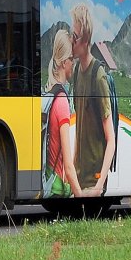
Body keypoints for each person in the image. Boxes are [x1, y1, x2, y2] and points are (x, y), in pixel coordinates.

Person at [70, 3, 115, 197]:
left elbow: (111, 139)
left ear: (85, 39)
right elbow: (80, 128)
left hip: (93, 183)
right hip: (79, 179)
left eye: (74, 37)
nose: (71, 41)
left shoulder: (98, 76)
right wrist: (71, 166)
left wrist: (98, 186)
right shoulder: (76, 72)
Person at [43, 29, 82, 198]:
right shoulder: (61, 102)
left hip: (49, 180)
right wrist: (82, 200)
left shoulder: (49, 92)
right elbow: (68, 167)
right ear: (65, 62)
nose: (73, 63)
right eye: (72, 59)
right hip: (57, 189)